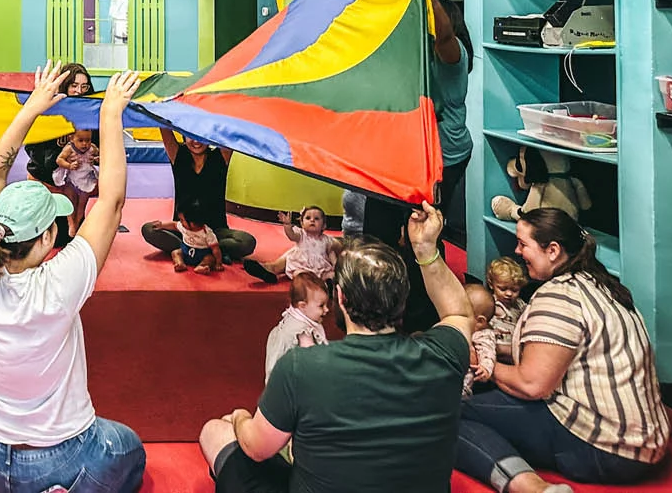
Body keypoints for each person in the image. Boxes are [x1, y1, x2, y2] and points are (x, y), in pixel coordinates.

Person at [0, 62, 147, 493]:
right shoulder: (58, 284)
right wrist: (109, 115)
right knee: (130, 450)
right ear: (48, 238)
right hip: (58, 459)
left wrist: (32, 108)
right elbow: (112, 202)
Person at [199, 201, 472, 493]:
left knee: (215, 432)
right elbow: (460, 313)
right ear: (402, 299)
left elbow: (256, 448)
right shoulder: (444, 354)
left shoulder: (299, 367)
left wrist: (240, 416)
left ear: (340, 297)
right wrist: (426, 249)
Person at [455, 208, 670, 493]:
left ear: (553, 250)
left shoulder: (559, 295)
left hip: (609, 450)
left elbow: (532, 385)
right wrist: (496, 349)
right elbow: (555, 351)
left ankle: (531, 487)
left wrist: (484, 365)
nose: (517, 251)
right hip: (643, 441)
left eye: (523, 244)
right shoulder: (603, 285)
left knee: (446, 415)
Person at [362, 0, 474, 330]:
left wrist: (433, 2)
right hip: (403, 158)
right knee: (376, 235)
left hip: (443, 160)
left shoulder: (453, 57)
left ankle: (417, 322)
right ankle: (374, 310)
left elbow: (443, 37)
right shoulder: (412, 59)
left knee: (421, 243)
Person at [142, 126, 257, 265]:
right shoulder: (178, 154)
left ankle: (195, 251)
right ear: (184, 136)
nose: (196, 141)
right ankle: (202, 251)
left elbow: (230, 128)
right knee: (148, 229)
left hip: (215, 231)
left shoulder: (220, 156)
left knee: (247, 242)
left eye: (201, 136)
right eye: (191, 136)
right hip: (185, 231)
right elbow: (164, 127)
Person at [24, 62, 94, 246]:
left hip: (73, 181)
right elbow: (32, 146)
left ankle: (77, 218)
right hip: (46, 178)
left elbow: (96, 145)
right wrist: (57, 158)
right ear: (66, 86)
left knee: (77, 236)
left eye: (84, 86)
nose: (79, 91)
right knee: (57, 237)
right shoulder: (49, 111)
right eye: (74, 85)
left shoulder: (88, 114)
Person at [242, 206, 339, 285]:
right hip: (303, 265)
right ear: (302, 223)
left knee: (331, 275)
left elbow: (331, 253)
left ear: (324, 226)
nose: (312, 220)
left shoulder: (327, 240)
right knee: (300, 275)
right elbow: (292, 236)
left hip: (321, 267)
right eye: (308, 218)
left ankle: (328, 284)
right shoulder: (301, 235)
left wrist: (335, 265)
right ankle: (269, 271)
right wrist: (287, 225)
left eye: (316, 219)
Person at [263, 272, 330, 383]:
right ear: (302, 306)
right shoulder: (303, 333)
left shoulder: (294, 315)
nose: (327, 309)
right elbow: (312, 361)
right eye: (321, 306)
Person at [150, 199, 224, 275]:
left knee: (210, 258)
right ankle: (180, 263)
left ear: (192, 222)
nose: (180, 222)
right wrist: (162, 225)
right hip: (186, 251)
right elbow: (173, 225)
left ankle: (202, 266)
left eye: (182, 220)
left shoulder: (207, 233)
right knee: (175, 252)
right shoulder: (183, 227)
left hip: (202, 254)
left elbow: (215, 249)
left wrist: (219, 263)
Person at [52, 127, 99, 236]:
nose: (85, 144)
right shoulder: (69, 149)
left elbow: (101, 155)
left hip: (86, 180)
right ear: (71, 138)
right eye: (81, 140)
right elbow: (59, 160)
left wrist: (97, 159)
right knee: (71, 202)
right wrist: (69, 165)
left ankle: (77, 224)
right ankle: (71, 223)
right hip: (72, 180)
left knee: (81, 205)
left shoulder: (92, 148)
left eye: (88, 140)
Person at [485, 256, 528, 363]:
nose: (509, 294)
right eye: (503, 289)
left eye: (514, 290)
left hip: (514, 347)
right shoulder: (489, 303)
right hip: (496, 348)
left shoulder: (519, 304)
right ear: (491, 284)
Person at [463, 284, 496, 399]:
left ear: (480, 321)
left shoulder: (483, 334)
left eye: (462, 314)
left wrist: (485, 368)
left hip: (463, 384)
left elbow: (488, 351)